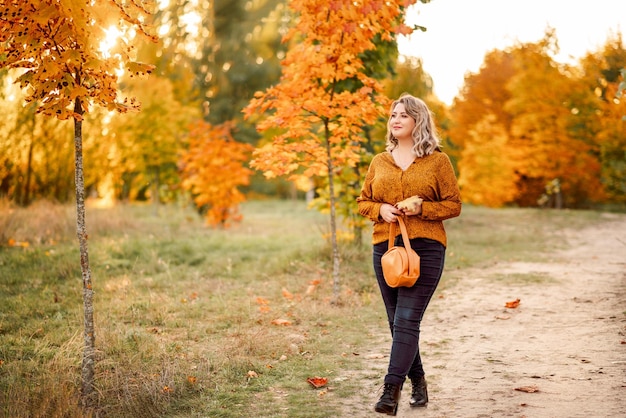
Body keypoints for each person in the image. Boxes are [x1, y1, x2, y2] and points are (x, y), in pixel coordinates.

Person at [357, 93, 462, 415]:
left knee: (406, 319)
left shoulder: (437, 161)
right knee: (396, 322)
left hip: (426, 247)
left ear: (419, 120)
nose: (396, 120)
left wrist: (423, 207)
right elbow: (362, 202)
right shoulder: (379, 161)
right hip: (386, 248)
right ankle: (419, 381)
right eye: (393, 115)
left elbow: (453, 205)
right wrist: (380, 209)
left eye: (404, 114)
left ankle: (391, 390)